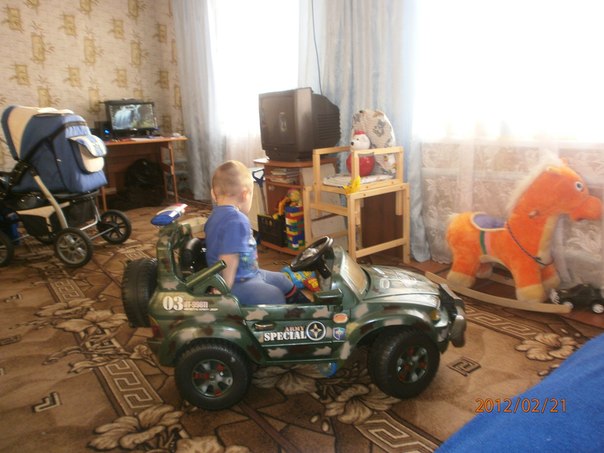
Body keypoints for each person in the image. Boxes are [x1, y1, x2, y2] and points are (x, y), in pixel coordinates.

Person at [204, 160, 311, 305]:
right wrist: (224, 290)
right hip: (236, 282)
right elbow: (228, 257)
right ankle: (287, 317)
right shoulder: (237, 220)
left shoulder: (214, 216)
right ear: (245, 195)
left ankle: (308, 310)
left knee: (282, 280)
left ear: (213, 194)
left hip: (248, 274)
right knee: (273, 295)